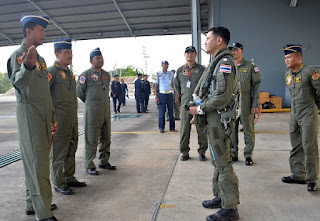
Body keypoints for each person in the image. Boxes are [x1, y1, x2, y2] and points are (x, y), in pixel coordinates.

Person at [7, 15, 58, 221]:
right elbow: (18, 84)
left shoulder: (42, 60)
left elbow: (46, 91)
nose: (44, 34)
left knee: (39, 160)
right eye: (41, 30)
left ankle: (33, 202)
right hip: (30, 115)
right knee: (37, 163)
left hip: (44, 115)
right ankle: (43, 212)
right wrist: (27, 67)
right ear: (29, 32)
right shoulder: (18, 56)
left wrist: (53, 116)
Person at [189, 27, 240, 221]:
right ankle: (221, 196)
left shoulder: (224, 63)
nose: (205, 41)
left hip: (219, 120)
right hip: (213, 120)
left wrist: (199, 109)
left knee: (224, 163)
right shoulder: (216, 63)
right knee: (218, 161)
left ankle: (230, 208)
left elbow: (222, 97)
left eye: (208, 38)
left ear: (219, 41)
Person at [48, 38, 86, 196]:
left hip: (72, 118)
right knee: (58, 151)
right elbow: (45, 95)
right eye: (67, 52)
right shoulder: (51, 71)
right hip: (59, 120)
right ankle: (58, 182)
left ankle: (69, 177)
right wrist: (50, 118)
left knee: (71, 147)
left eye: (71, 52)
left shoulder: (70, 74)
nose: (70, 55)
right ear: (57, 54)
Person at [282, 44, 320, 192]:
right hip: (294, 114)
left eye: (289, 57)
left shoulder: (311, 72)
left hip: (308, 113)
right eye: (285, 57)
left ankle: (311, 179)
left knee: (309, 146)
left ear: (299, 57)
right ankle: (298, 174)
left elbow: (319, 92)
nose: (286, 60)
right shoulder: (288, 75)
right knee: (296, 145)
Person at [77, 48, 116, 175]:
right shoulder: (85, 75)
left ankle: (104, 161)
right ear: (91, 61)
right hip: (93, 112)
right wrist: (91, 103)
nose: (100, 60)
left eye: (101, 58)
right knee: (91, 138)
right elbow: (79, 92)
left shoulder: (106, 75)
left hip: (105, 111)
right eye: (97, 58)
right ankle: (89, 164)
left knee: (106, 137)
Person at [228, 42, 261, 165]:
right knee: (231, 130)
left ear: (242, 51)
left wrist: (255, 103)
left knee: (248, 129)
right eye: (232, 50)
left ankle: (248, 155)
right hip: (232, 101)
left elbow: (256, 85)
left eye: (236, 50)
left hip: (246, 100)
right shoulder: (228, 65)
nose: (234, 52)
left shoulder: (250, 66)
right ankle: (233, 154)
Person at [174, 46, 208, 161]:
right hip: (185, 104)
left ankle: (202, 151)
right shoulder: (179, 70)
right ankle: (184, 152)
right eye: (187, 53)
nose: (190, 55)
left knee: (201, 129)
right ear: (184, 55)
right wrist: (181, 99)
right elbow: (177, 86)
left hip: (198, 103)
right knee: (184, 129)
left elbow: (206, 84)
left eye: (192, 53)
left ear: (196, 54)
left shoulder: (202, 69)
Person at [154, 61, 176, 133]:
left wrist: (176, 94)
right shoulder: (159, 74)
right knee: (162, 113)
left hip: (169, 94)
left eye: (167, 64)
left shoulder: (171, 74)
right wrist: (156, 96)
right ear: (162, 65)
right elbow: (156, 85)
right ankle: (161, 127)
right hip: (162, 94)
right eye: (164, 64)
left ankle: (172, 127)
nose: (166, 66)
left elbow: (173, 84)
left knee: (171, 112)